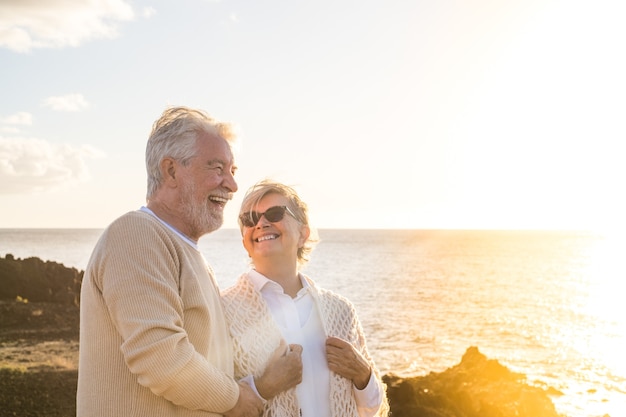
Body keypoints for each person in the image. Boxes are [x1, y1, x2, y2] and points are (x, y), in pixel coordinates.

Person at [77, 107, 301, 417]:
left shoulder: (190, 255)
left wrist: (262, 386)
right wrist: (237, 399)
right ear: (170, 171)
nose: (232, 185)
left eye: (232, 170)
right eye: (217, 167)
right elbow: (161, 358)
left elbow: (210, 368)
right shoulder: (136, 234)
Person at [221, 180, 390, 417]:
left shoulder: (340, 310)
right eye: (249, 219)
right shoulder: (223, 310)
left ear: (303, 233)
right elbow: (212, 406)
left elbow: (371, 409)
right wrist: (263, 387)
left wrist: (363, 375)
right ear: (244, 241)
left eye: (275, 213)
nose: (260, 223)